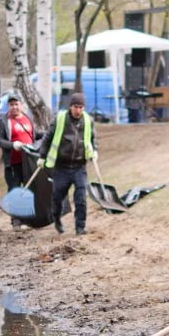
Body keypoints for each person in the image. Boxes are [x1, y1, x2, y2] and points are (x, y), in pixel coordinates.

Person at [42, 91, 96, 235]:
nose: (78, 110)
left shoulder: (88, 121)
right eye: (76, 107)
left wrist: (94, 151)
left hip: (79, 166)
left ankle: (80, 227)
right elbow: (47, 138)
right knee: (57, 197)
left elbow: (92, 138)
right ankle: (57, 218)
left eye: (81, 107)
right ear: (70, 106)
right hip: (62, 167)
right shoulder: (60, 119)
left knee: (81, 198)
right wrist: (42, 156)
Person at [0, 93, 41, 226]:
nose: (14, 107)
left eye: (16, 104)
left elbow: (34, 135)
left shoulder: (28, 118)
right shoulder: (4, 121)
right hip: (13, 163)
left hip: (28, 162)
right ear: (8, 106)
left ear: (21, 104)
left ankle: (29, 218)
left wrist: (47, 135)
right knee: (15, 191)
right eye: (11, 105)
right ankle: (16, 220)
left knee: (29, 190)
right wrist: (12, 145)